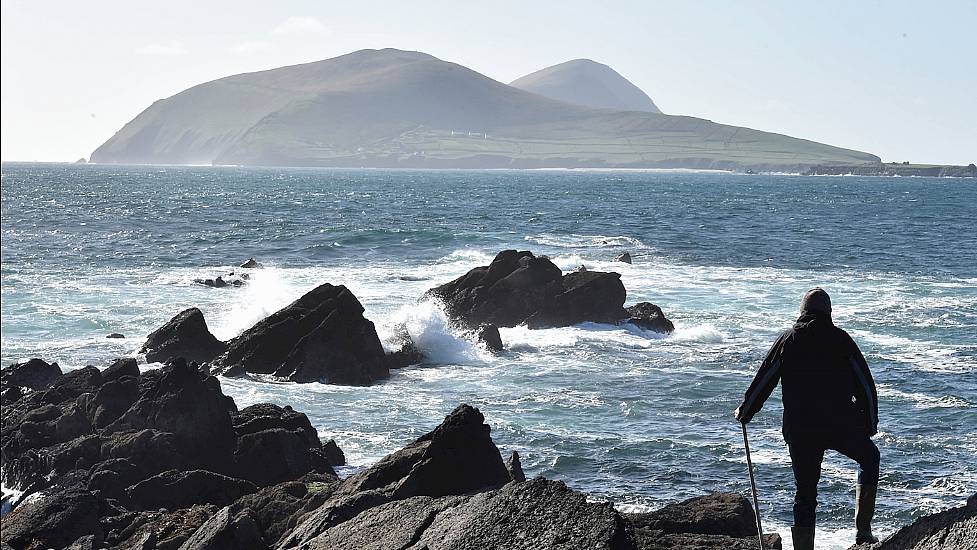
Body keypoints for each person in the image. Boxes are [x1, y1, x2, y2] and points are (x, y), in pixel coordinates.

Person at [734, 288, 880, 550]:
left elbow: (765, 379)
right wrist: (869, 423)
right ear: (829, 312)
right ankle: (863, 532)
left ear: (801, 312)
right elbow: (866, 386)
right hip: (841, 425)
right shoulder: (841, 340)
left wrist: (746, 411)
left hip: (801, 431)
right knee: (870, 458)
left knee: (805, 494)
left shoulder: (789, 340)